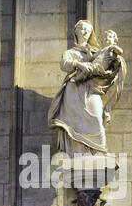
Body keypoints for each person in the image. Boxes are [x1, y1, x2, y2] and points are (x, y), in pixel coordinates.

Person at [48, 20, 126, 157]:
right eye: (82, 29)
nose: (85, 32)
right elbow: (64, 64)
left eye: (88, 30)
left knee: (96, 118)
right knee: (73, 123)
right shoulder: (71, 52)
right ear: (76, 31)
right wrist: (79, 64)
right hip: (73, 90)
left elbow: (108, 64)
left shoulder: (97, 51)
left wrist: (116, 60)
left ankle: (98, 151)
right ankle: (74, 153)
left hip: (91, 90)